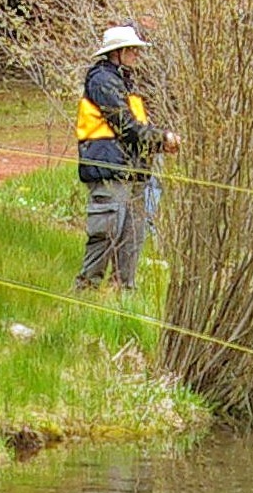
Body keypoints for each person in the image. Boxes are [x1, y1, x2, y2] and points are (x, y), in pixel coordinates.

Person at [75, 25, 180, 293]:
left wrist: (157, 141)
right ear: (116, 53)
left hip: (133, 175)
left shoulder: (124, 82)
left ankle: (124, 299)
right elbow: (127, 127)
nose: (137, 54)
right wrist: (162, 139)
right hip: (110, 173)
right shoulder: (102, 81)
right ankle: (85, 295)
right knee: (105, 237)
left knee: (131, 240)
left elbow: (134, 130)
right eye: (132, 49)